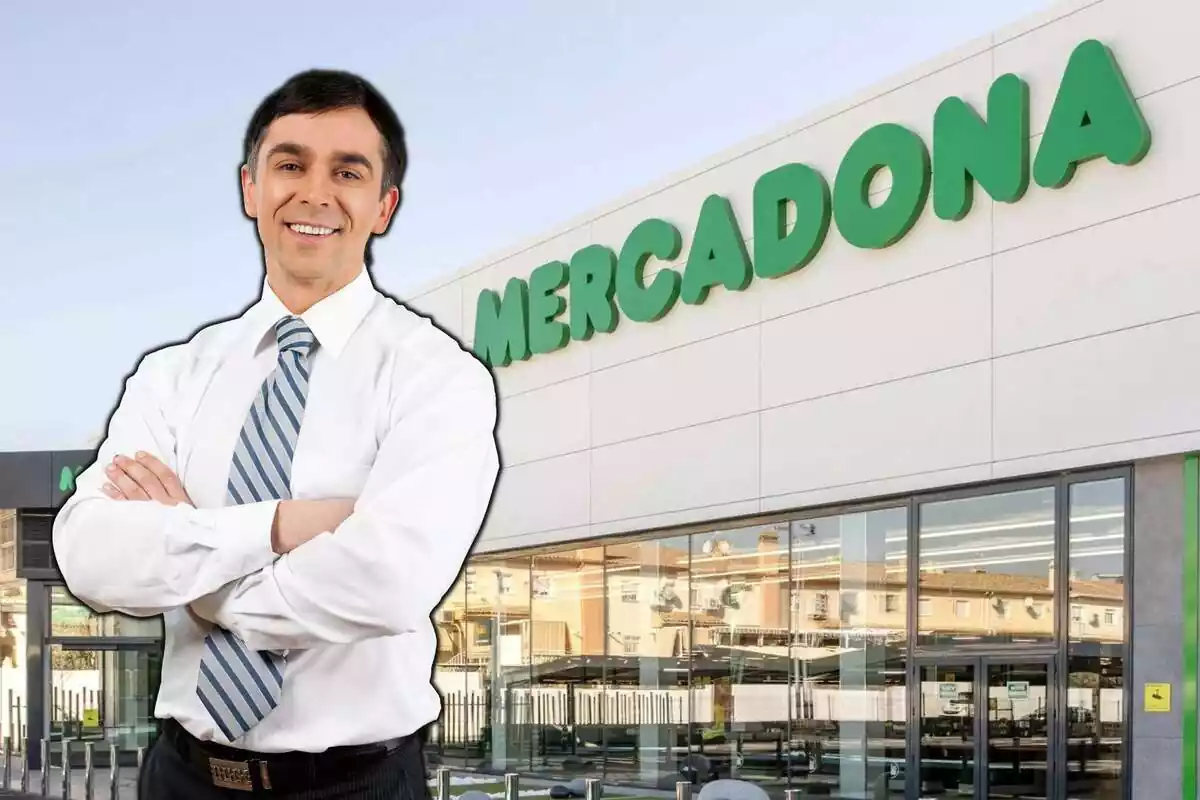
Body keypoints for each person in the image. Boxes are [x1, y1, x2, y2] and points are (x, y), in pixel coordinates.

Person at [51, 69, 501, 798]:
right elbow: (91, 555)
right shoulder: (173, 376)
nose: (315, 193)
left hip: (357, 784)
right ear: (250, 189)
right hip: (180, 778)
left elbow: (387, 582)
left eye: (348, 171)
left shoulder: (437, 376)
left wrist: (199, 580)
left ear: (383, 206)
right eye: (289, 164)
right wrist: (283, 525)